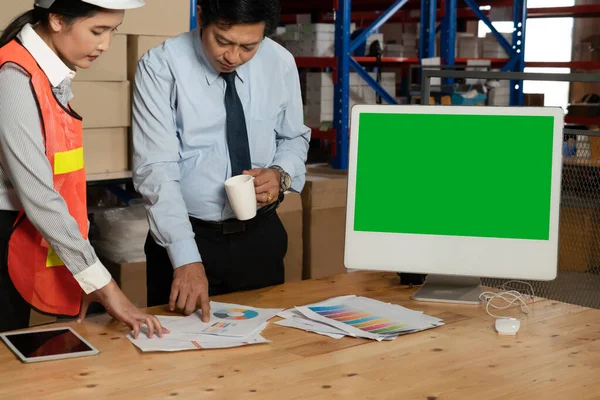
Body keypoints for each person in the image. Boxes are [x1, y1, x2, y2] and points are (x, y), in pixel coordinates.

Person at [132, 0, 310, 319]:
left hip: (260, 237)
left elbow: (293, 136)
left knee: (266, 357)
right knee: (179, 359)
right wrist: (186, 259)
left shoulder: (279, 62)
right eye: (222, 41)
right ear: (201, 17)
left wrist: (281, 173)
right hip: (187, 239)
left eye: (248, 47)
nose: (232, 57)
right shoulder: (161, 66)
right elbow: (155, 169)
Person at [0, 0, 166, 338]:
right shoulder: (14, 77)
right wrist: (106, 287)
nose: (105, 44)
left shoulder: (46, 72)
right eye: (97, 31)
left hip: (25, 227)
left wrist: (83, 276)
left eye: (112, 31)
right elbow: (39, 195)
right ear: (58, 20)